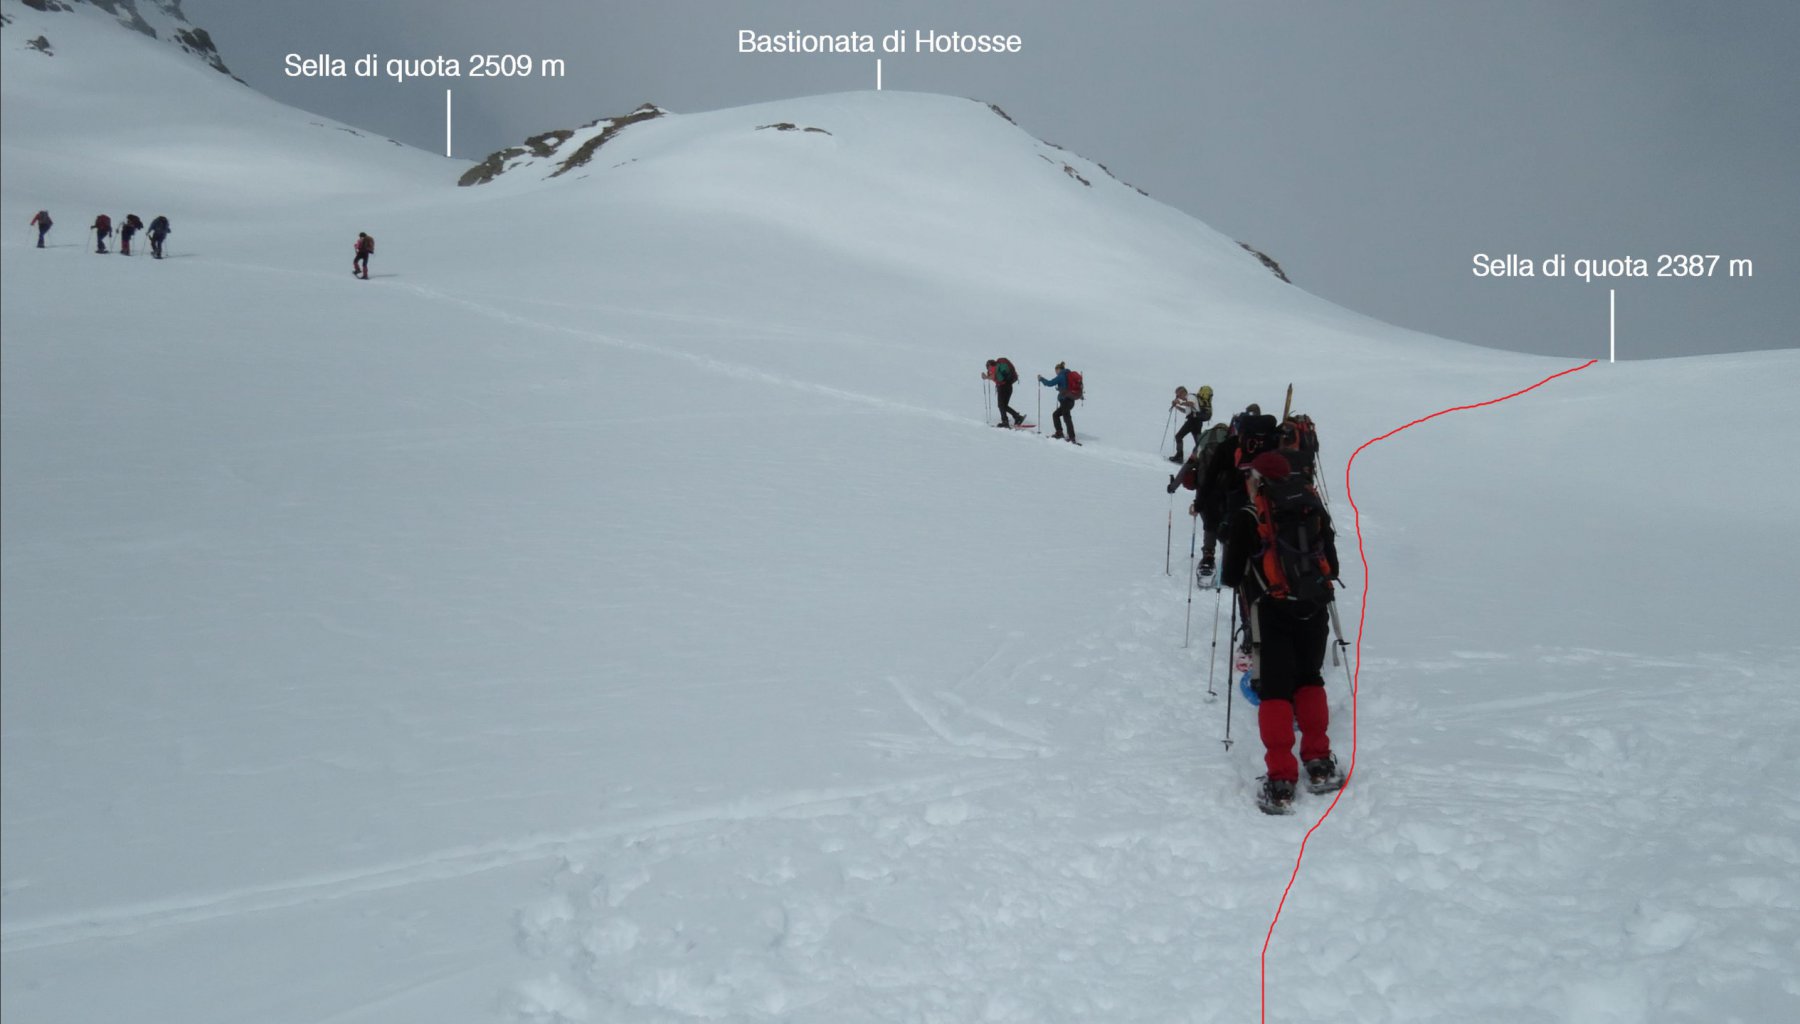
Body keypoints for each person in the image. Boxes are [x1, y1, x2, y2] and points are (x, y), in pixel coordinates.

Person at [1218, 451, 1343, 814]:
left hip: (1271, 610)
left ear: (1257, 478)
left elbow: (1231, 576)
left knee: (1275, 691)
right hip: (1314, 606)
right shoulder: (1310, 504)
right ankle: (1318, 763)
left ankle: (1282, 779)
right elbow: (1331, 566)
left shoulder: (1250, 513)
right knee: (1309, 678)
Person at [1169, 384, 1214, 463]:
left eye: (1178, 395)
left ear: (1183, 393)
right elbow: (1187, 411)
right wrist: (1177, 406)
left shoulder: (1190, 396)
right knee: (1198, 441)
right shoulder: (1189, 398)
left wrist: (1180, 403)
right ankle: (1204, 458)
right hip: (1197, 421)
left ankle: (1179, 457)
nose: (1178, 397)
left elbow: (1191, 404)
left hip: (1193, 421)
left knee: (1179, 436)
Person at [1038, 362, 1077, 443]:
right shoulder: (1067, 374)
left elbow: (1049, 383)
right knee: (1056, 415)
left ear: (1059, 369)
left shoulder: (1061, 376)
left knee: (1066, 418)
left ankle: (1071, 437)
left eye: (1056, 371)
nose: (1055, 373)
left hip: (1065, 401)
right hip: (1071, 400)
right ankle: (1060, 433)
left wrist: (1041, 379)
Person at [984, 357, 1026, 427]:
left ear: (990, 365)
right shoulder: (999, 367)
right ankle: (1017, 417)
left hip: (1003, 387)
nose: (988, 370)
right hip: (1009, 387)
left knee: (1001, 405)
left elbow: (998, 378)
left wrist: (987, 377)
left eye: (988, 367)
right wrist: (987, 377)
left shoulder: (995, 368)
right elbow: (995, 377)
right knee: (1004, 406)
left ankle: (1005, 422)